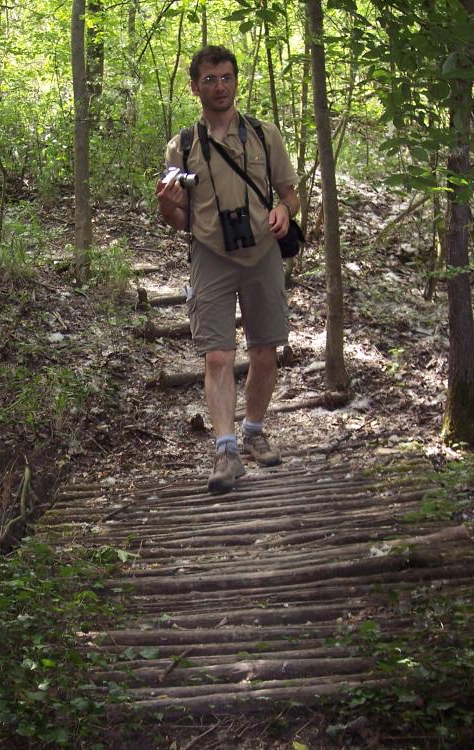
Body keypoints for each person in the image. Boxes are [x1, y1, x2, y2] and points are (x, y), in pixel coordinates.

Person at [156, 45, 299, 494]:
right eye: (210, 79)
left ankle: (254, 430)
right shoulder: (182, 146)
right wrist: (166, 204)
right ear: (195, 86)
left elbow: (291, 193)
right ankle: (225, 449)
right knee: (217, 354)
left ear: (237, 81)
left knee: (263, 349)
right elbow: (178, 221)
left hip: (262, 253)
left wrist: (283, 210)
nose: (219, 86)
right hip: (210, 254)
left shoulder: (263, 134)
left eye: (226, 78)